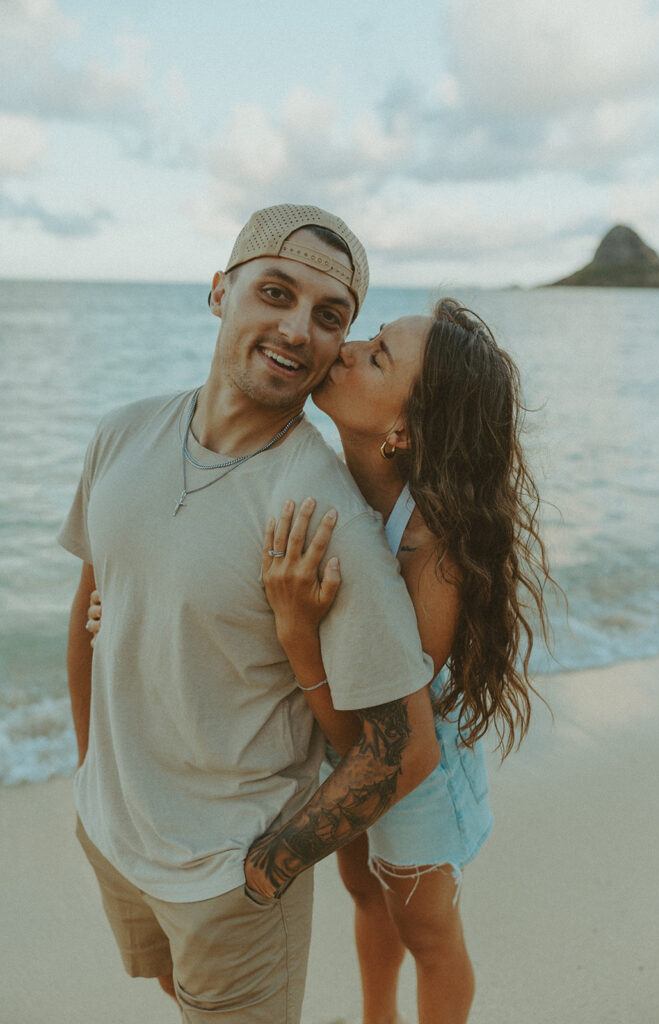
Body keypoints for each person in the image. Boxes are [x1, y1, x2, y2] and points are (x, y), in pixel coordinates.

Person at [88, 299, 554, 1023]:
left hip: (415, 762)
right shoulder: (327, 483)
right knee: (366, 895)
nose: (346, 347)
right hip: (331, 736)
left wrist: (298, 633)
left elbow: (384, 736)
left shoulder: (432, 552)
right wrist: (129, 613)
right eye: (367, 335)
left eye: (377, 356)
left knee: (426, 931)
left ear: (403, 428)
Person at [59, 203, 441, 1024]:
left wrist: (269, 866)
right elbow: (93, 603)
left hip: (226, 877)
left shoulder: (318, 514)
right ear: (218, 293)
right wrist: (91, 767)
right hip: (113, 834)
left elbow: (403, 748)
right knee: (168, 992)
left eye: (328, 316)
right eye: (275, 292)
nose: (298, 329)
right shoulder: (120, 435)